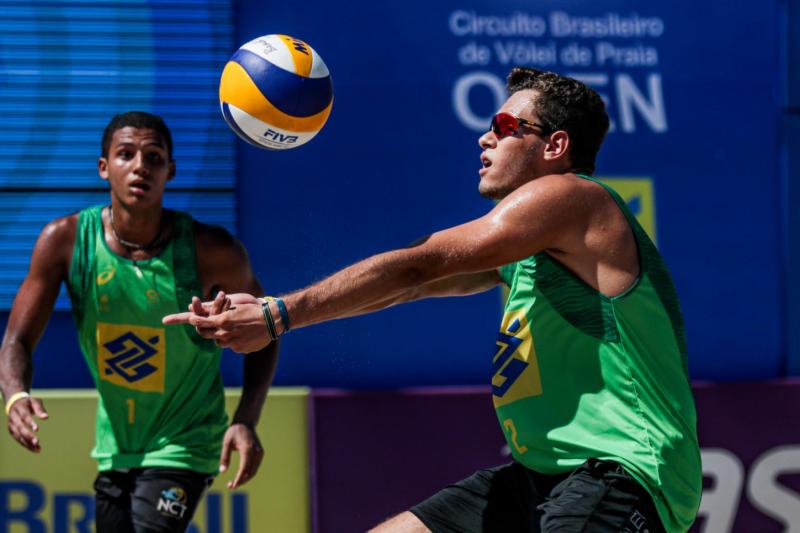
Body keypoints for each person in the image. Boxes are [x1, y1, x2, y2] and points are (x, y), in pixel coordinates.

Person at [165, 68, 702, 532]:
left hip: (620, 469)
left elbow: (422, 263)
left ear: (555, 147)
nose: (484, 139)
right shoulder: (528, 255)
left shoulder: (573, 196)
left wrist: (277, 314)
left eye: (506, 127)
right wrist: (273, 316)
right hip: (538, 474)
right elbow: (410, 285)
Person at [0, 111, 279, 533]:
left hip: (186, 440)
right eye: (126, 154)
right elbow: (16, 341)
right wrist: (16, 396)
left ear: (171, 171)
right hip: (116, 446)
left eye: (154, 157)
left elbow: (268, 329)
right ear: (103, 167)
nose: (140, 167)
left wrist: (246, 418)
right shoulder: (65, 240)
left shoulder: (212, 250)